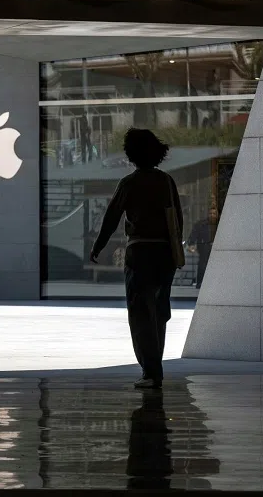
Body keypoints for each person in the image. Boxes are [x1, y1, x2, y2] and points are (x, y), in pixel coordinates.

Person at [90, 128, 182, 389]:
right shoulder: (166, 181)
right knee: (159, 311)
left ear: (131, 154)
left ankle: (150, 371)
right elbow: (177, 221)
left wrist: (99, 246)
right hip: (165, 254)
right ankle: (156, 367)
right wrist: (176, 254)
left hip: (139, 254)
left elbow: (111, 218)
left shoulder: (129, 183)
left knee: (141, 313)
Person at [188, 207, 219, 289]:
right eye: (210, 213)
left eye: (214, 214)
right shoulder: (201, 224)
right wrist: (191, 244)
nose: (212, 215)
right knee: (202, 264)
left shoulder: (220, 225)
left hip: (216, 247)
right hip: (204, 245)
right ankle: (200, 283)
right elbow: (194, 233)